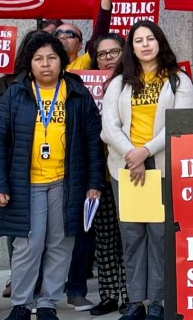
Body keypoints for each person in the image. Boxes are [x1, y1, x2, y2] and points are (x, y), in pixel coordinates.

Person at [0, 31, 104, 320]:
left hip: (66, 181)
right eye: (39, 59)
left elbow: (92, 140)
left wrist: (94, 183)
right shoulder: (17, 92)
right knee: (28, 244)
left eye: (52, 58)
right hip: (26, 184)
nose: (46, 64)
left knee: (60, 242)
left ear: (62, 61)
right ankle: (21, 304)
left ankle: (49, 303)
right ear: (30, 63)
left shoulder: (76, 91)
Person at [101, 21, 193, 320]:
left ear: (160, 42)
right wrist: (132, 153)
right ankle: (135, 302)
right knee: (131, 235)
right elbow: (108, 128)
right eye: (138, 40)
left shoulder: (178, 80)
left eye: (150, 39)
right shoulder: (120, 81)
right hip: (126, 167)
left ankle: (157, 301)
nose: (144, 44)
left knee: (159, 235)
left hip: (162, 165)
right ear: (132, 46)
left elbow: (180, 123)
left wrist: (145, 151)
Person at [82, 33, 127, 316]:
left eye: (114, 52)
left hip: (130, 168)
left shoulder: (134, 82)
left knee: (131, 236)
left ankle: (131, 295)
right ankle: (109, 295)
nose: (109, 58)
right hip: (98, 171)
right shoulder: (84, 86)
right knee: (105, 236)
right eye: (102, 54)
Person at [65, 0, 116, 71]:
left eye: (69, 34)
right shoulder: (46, 67)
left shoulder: (83, 63)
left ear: (80, 46)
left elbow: (100, 34)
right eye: (57, 33)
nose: (63, 36)